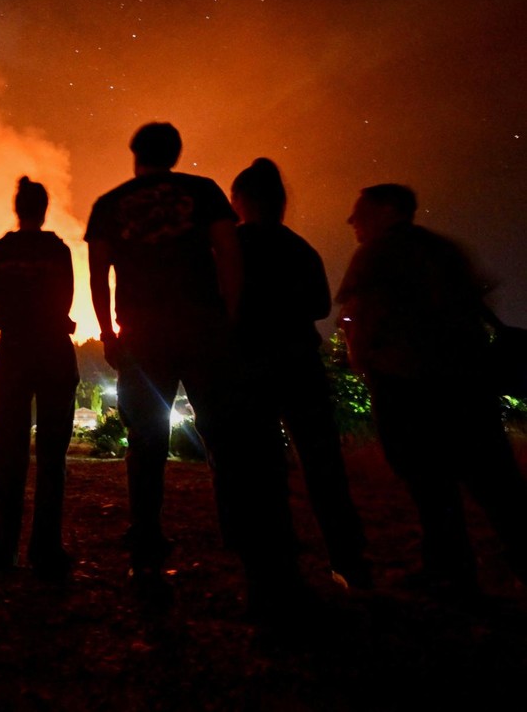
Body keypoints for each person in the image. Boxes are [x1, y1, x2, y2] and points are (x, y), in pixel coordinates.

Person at [85, 123, 300, 610]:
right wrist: (230, 315)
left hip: (143, 338)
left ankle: (146, 548)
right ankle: (254, 555)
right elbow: (228, 253)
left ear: (135, 154)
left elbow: (98, 274)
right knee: (227, 436)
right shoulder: (202, 192)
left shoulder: (109, 204)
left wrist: (108, 332)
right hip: (204, 329)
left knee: (145, 442)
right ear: (176, 153)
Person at [336, 183, 527, 595]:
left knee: (428, 482)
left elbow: (359, 316)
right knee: (495, 483)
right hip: (466, 381)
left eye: (360, 211)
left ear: (388, 210)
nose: (352, 221)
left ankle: (451, 569)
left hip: (405, 382)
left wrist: (362, 361)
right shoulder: (444, 250)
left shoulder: (375, 254)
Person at [231, 158, 370, 589]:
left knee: (261, 465)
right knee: (322, 462)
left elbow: (218, 304)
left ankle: (275, 563)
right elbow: (320, 307)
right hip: (299, 361)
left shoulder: (229, 247)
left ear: (239, 202)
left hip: (251, 362)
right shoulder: (299, 248)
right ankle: (348, 560)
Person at [0, 176, 79, 581]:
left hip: (15, 352)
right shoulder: (58, 250)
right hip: (54, 351)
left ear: (18, 209)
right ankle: (46, 548)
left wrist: (12, 318)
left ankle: (3, 548)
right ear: (44, 209)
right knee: (52, 456)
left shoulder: (1, 250)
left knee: (10, 451)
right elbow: (66, 298)